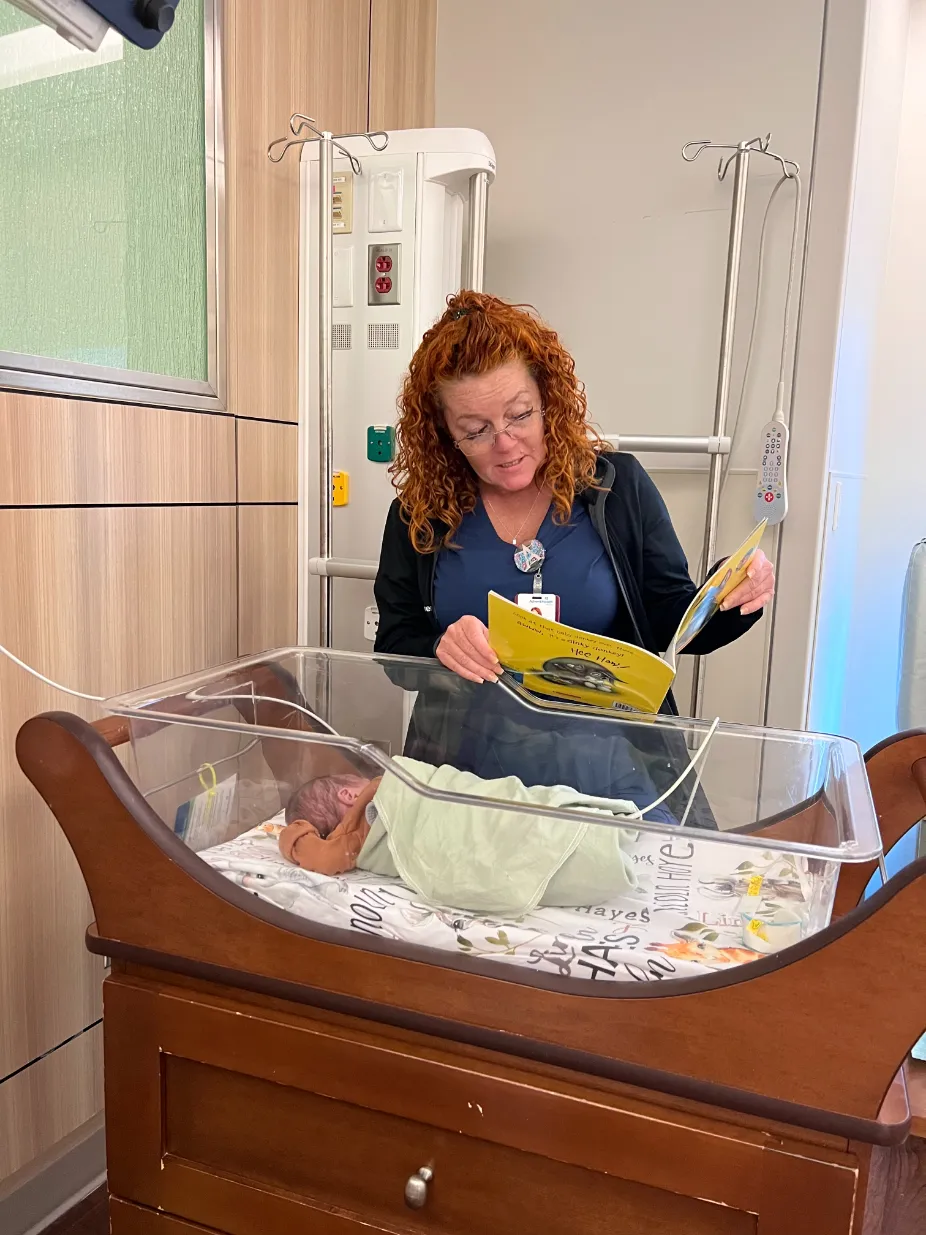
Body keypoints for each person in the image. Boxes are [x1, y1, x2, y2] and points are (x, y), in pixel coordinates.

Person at [373, 289, 774, 695]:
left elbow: (672, 625)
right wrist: (438, 647)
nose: (505, 442)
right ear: (445, 434)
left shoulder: (617, 487)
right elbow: (394, 646)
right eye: (475, 430)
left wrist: (730, 594)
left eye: (519, 414)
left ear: (548, 400)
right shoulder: (419, 514)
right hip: (460, 752)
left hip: (601, 752)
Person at [278, 758, 661, 916]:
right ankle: (592, 842)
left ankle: (590, 841)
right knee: (516, 821)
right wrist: (292, 832)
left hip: (458, 804)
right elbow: (322, 857)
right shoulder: (364, 822)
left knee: (500, 810)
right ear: (348, 796)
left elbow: (456, 799)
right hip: (480, 817)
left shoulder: (393, 792)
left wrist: (298, 836)